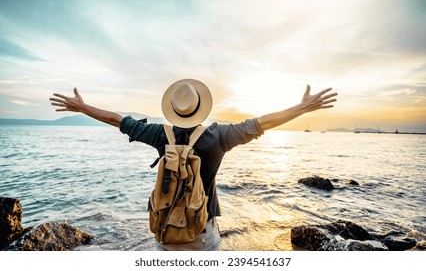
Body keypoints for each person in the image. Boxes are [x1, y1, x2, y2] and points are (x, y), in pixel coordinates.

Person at [49, 79, 337, 251]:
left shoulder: (159, 134)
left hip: (164, 232)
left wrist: (83, 107)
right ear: (201, 108)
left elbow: (118, 120)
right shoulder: (219, 136)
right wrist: (302, 108)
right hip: (202, 233)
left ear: (173, 111)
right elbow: (262, 123)